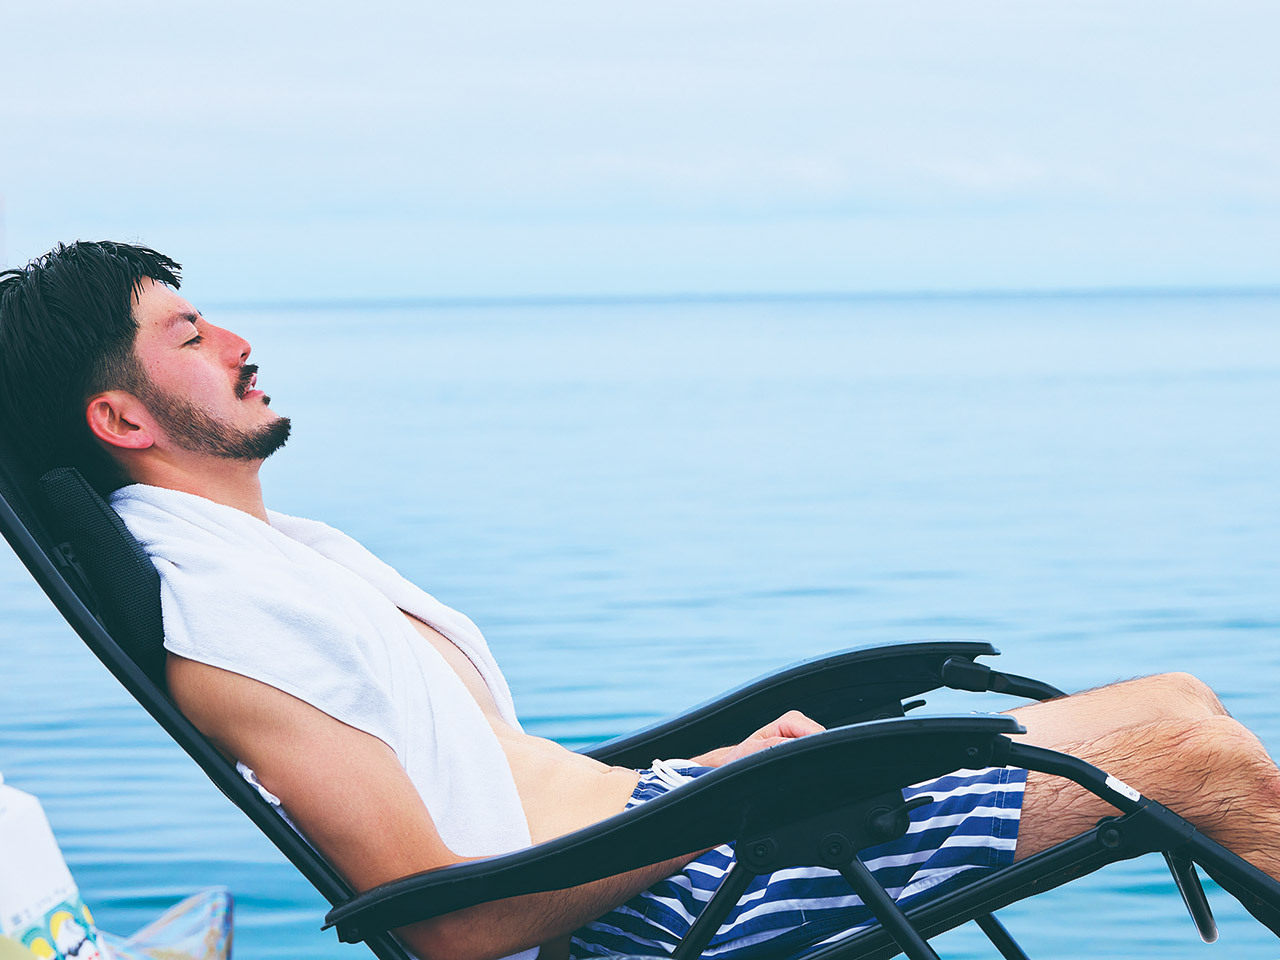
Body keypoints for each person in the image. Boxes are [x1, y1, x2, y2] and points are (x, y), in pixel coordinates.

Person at [1, 241, 1277, 960]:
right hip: (671, 907)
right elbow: (445, 921)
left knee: (1177, 700)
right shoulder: (226, 614)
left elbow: (505, 782)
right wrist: (729, 800)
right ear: (122, 419)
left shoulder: (287, 558)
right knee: (1190, 755)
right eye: (189, 336)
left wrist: (714, 768)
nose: (236, 342)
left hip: (677, 833)